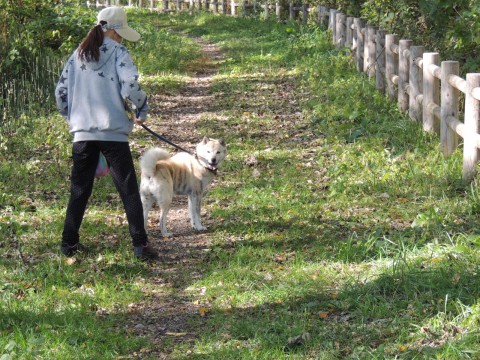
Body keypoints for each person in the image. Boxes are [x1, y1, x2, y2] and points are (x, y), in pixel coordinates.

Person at [55, 6, 158, 260]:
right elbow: (130, 86)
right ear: (113, 30)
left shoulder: (77, 54)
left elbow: (60, 93)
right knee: (128, 189)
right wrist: (141, 106)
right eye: (122, 33)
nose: (122, 39)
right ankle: (140, 245)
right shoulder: (119, 53)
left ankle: (69, 244)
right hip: (112, 132)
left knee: (79, 189)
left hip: (82, 133)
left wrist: (74, 116)